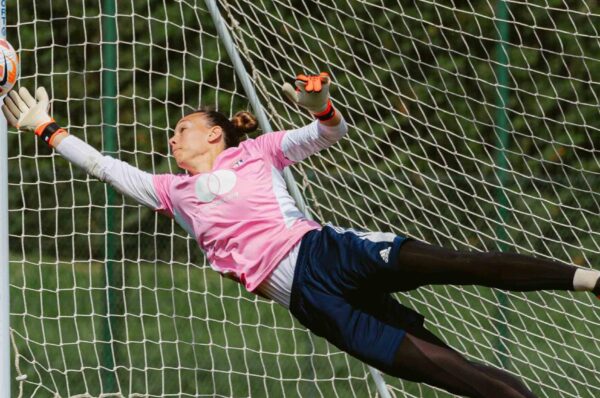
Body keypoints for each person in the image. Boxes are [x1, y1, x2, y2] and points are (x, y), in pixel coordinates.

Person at [3, 73, 599, 398]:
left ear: (216, 137)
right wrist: (45, 128)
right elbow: (108, 169)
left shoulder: (257, 154)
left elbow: (329, 134)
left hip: (329, 252)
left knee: (460, 265)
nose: (172, 139)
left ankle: (589, 279)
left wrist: (321, 106)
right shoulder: (170, 193)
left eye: (183, 129)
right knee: (451, 373)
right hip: (310, 301)